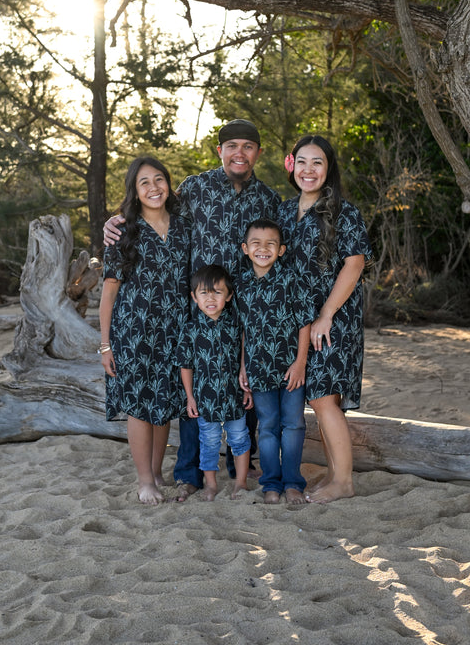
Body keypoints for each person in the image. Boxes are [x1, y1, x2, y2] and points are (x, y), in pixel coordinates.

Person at [104, 119, 281, 500]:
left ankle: (242, 468)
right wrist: (115, 221)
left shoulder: (268, 199)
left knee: (243, 385)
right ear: (219, 151)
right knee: (191, 393)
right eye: (231, 145)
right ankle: (189, 474)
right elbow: (153, 207)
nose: (239, 153)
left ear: (257, 154)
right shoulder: (195, 189)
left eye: (248, 147)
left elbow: (278, 244)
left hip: (244, 309)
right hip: (195, 311)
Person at [278, 135, 373, 504]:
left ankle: (344, 482)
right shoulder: (285, 212)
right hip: (300, 321)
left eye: (317, 163)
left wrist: (326, 315)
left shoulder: (343, 212)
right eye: (302, 162)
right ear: (292, 166)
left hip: (333, 317)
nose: (309, 170)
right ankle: (335, 474)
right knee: (320, 397)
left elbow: (355, 262)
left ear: (328, 168)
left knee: (322, 397)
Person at [99, 156, 190, 505]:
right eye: (144, 183)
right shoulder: (123, 231)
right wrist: (105, 345)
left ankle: (156, 473)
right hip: (133, 332)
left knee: (165, 403)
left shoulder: (184, 227)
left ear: (169, 184)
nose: (153, 188)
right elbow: (109, 291)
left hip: (175, 330)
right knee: (139, 406)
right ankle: (143, 481)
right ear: (134, 192)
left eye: (159, 180)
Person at [236, 219, 312, 505]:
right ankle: (271, 483)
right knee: (267, 426)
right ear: (245, 248)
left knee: (293, 424)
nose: (263, 249)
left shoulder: (292, 280)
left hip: (291, 368)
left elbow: (304, 323)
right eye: (256, 243)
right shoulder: (241, 285)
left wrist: (300, 363)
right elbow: (244, 330)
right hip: (258, 369)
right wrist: (243, 365)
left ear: (281, 250)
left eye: (271, 244)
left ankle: (293, 483)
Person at [177, 264, 252, 501]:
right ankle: (210, 484)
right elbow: (186, 365)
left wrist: (245, 382)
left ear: (228, 296)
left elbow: (243, 350)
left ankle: (240, 483)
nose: (211, 298)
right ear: (194, 297)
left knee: (240, 439)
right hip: (205, 398)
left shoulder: (235, 324)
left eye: (218, 292)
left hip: (234, 395)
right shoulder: (190, 329)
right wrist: (190, 396)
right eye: (204, 293)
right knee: (208, 442)